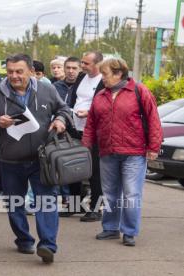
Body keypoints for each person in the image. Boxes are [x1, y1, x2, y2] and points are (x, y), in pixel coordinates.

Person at [0, 54, 70, 263]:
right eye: (10, 72)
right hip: (10, 159)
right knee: (14, 204)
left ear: (30, 71)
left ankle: (47, 245)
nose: (14, 76)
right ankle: (24, 239)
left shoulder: (46, 90)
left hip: (42, 158)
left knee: (46, 202)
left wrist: (61, 120)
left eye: (19, 71)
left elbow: (63, 109)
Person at [82, 58, 162, 246]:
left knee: (131, 194)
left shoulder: (139, 90)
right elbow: (92, 122)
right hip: (107, 152)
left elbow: (153, 119)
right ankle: (110, 228)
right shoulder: (101, 95)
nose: (103, 79)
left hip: (134, 152)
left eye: (106, 74)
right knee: (109, 193)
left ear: (119, 74)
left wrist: (153, 147)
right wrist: (86, 143)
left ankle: (129, 231)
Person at [69, 51, 105, 222]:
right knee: (73, 166)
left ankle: (96, 208)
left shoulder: (104, 80)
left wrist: (89, 113)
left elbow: (107, 106)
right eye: (82, 62)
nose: (82, 66)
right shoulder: (81, 77)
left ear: (97, 64)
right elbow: (73, 99)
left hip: (94, 130)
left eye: (86, 63)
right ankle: (73, 205)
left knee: (94, 170)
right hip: (76, 127)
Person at [53, 56, 82, 210]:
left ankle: (76, 203)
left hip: (79, 133)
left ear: (80, 69)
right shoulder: (55, 86)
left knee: (77, 168)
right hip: (59, 132)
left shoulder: (84, 86)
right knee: (60, 166)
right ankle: (65, 201)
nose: (71, 71)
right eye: (68, 68)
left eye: (74, 68)